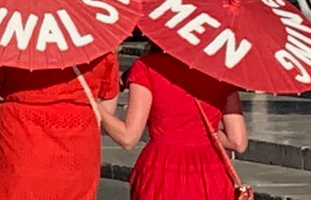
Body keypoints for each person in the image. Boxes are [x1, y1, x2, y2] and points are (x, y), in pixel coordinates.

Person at [89, 50, 248, 200]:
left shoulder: (148, 67)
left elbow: (128, 137)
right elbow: (238, 142)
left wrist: (96, 106)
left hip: (163, 170)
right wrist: (205, 130)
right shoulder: (219, 70)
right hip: (211, 171)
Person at [0, 52, 120, 200]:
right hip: (78, 142)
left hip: (20, 139)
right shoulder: (99, 50)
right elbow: (107, 109)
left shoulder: (6, 44)